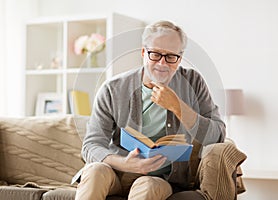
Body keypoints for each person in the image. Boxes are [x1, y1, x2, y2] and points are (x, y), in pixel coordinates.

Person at [75, 20, 227, 200]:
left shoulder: (193, 82)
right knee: (94, 171)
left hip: (160, 179)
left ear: (180, 58)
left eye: (171, 57)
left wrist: (178, 107)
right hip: (116, 173)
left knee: (147, 185)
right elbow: (91, 145)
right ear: (143, 53)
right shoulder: (112, 89)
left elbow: (217, 136)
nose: (162, 63)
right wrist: (126, 164)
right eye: (155, 54)